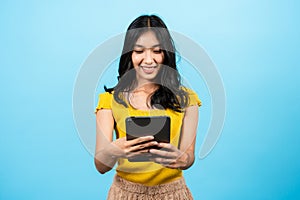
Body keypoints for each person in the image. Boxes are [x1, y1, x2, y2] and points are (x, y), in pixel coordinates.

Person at [94, 14, 201, 200]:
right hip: (125, 194)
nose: (149, 59)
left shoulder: (187, 99)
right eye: (139, 51)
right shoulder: (109, 100)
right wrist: (113, 151)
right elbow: (100, 166)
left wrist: (182, 159)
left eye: (157, 51)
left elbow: (188, 156)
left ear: (165, 54)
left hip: (173, 194)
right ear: (129, 54)